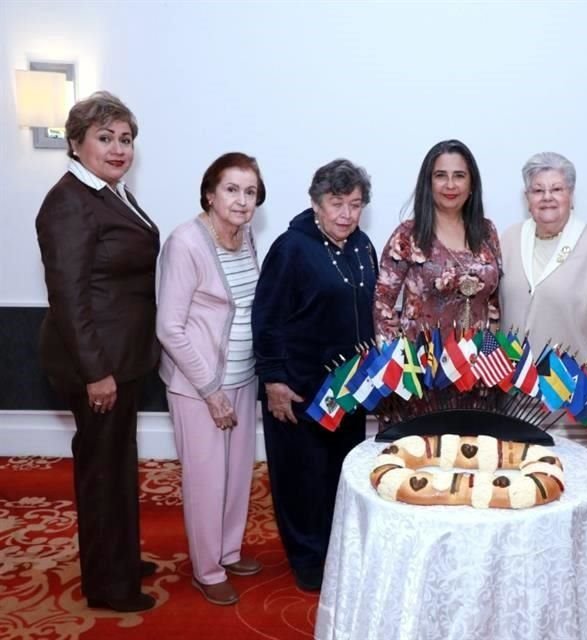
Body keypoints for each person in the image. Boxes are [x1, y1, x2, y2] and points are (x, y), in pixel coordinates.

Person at [35, 91, 160, 612]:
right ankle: (109, 586)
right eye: (105, 138)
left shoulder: (111, 193)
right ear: (76, 142)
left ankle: (120, 559)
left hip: (121, 359)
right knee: (102, 471)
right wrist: (96, 373)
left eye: (125, 139)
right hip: (96, 365)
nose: (117, 148)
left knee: (117, 461)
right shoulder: (68, 202)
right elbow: (67, 297)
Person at [252, 159, 376, 592]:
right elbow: (266, 319)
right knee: (302, 480)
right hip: (300, 389)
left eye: (355, 204)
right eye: (335, 202)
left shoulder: (362, 247)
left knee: (340, 476)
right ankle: (307, 560)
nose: (345, 213)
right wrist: (274, 380)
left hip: (348, 389)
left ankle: (336, 552)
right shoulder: (291, 247)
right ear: (316, 203)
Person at [156, 152, 266, 606]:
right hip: (199, 387)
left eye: (251, 192)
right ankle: (206, 567)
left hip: (243, 378)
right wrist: (209, 390)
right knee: (206, 479)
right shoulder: (186, 242)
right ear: (210, 192)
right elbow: (169, 327)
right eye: (232, 189)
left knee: (237, 474)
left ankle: (228, 548)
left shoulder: (246, 237)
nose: (242, 201)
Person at [499, 151, 587, 453]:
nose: (547, 197)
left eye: (557, 189)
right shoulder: (510, 239)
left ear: (571, 195)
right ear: (527, 198)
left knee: (572, 475)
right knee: (520, 470)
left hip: (572, 388)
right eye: (538, 190)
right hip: (518, 386)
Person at [375, 139, 501, 339]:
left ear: (472, 184)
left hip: (478, 362)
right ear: (428, 183)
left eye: (459, 176)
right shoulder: (406, 236)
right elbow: (382, 308)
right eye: (440, 176)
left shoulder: (487, 231)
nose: (450, 185)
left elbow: (493, 305)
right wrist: (398, 362)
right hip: (423, 363)